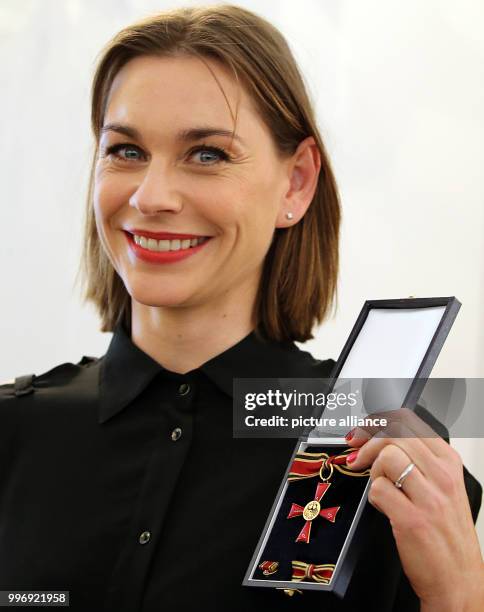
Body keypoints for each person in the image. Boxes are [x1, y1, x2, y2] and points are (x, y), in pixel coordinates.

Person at [0, 4, 482, 611]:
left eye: (207, 154)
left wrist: (459, 594)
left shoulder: (389, 451)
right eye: (125, 150)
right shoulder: (13, 434)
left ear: (296, 183)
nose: (151, 196)